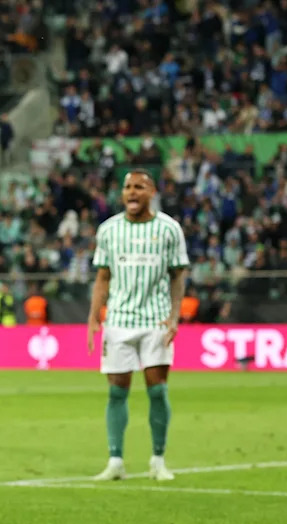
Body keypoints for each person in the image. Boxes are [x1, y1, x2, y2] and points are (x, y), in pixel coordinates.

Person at [87, 169, 189, 481]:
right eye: (128, 187)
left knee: (157, 392)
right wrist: (93, 316)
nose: (132, 192)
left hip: (155, 320)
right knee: (117, 393)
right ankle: (115, 460)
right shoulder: (109, 230)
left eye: (139, 187)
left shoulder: (169, 229)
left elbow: (178, 275)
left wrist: (174, 316)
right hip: (118, 320)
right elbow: (102, 277)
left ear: (152, 191)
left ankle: (158, 460)